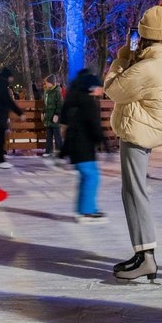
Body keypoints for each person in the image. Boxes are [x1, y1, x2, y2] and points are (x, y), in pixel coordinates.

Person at [104, 5, 162, 281]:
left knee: (135, 192)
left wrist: (124, 55)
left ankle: (146, 257)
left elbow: (113, 88)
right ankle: (142, 253)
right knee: (133, 191)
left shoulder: (149, 67)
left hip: (139, 130)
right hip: (149, 127)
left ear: (146, 37)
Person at [60, 70, 108, 223]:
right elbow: (94, 126)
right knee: (91, 177)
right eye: (100, 87)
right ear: (92, 87)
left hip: (78, 146)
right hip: (83, 146)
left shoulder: (77, 100)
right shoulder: (88, 103)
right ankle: (87, 212)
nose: (102, 89)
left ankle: (85, 209)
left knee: (87, 177)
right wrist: (104, 143)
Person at [0, 68, 25, 169]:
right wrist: (20, 113)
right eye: (11, 77)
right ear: (7, 76)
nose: (12, 80)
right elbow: (8, 101)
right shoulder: (2, 85)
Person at [42, 75, 64, 159]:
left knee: (57, 135)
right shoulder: (46, 92)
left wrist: (57, 114)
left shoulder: (57, 92)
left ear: (51, 82)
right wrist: (43, 112)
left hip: (54, 117)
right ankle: (48, 151)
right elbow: (45, 103)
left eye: (47, 82)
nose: (46, 84)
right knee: (49, 135)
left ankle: (61, 152)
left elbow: (60, 104)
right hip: (48, 117)